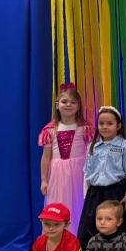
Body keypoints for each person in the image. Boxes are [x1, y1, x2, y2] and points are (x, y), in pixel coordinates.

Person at [37, 83, 93, 235]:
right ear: (57, 105)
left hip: (79, 172)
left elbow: (91, 153)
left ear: (78, 106)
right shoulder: (50, 129)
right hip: (57, 174)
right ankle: (57, 239)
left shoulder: (84, 128)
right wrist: (44, 180)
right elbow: (46, 157)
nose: (68, 105)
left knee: (78, 203)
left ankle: (77, 238)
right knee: (58, 203)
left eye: (73, 102)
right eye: (64, 101)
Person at [77, 106, 126, 247]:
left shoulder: (124, 146)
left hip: (115, 192)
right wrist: (86, 195)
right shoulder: (93, 146)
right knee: (90, 225)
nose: (105, 127)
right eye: (101, 123)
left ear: (118, 126)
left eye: (110, 123)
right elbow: (87, 173)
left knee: (115, 224)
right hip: (95, 193)